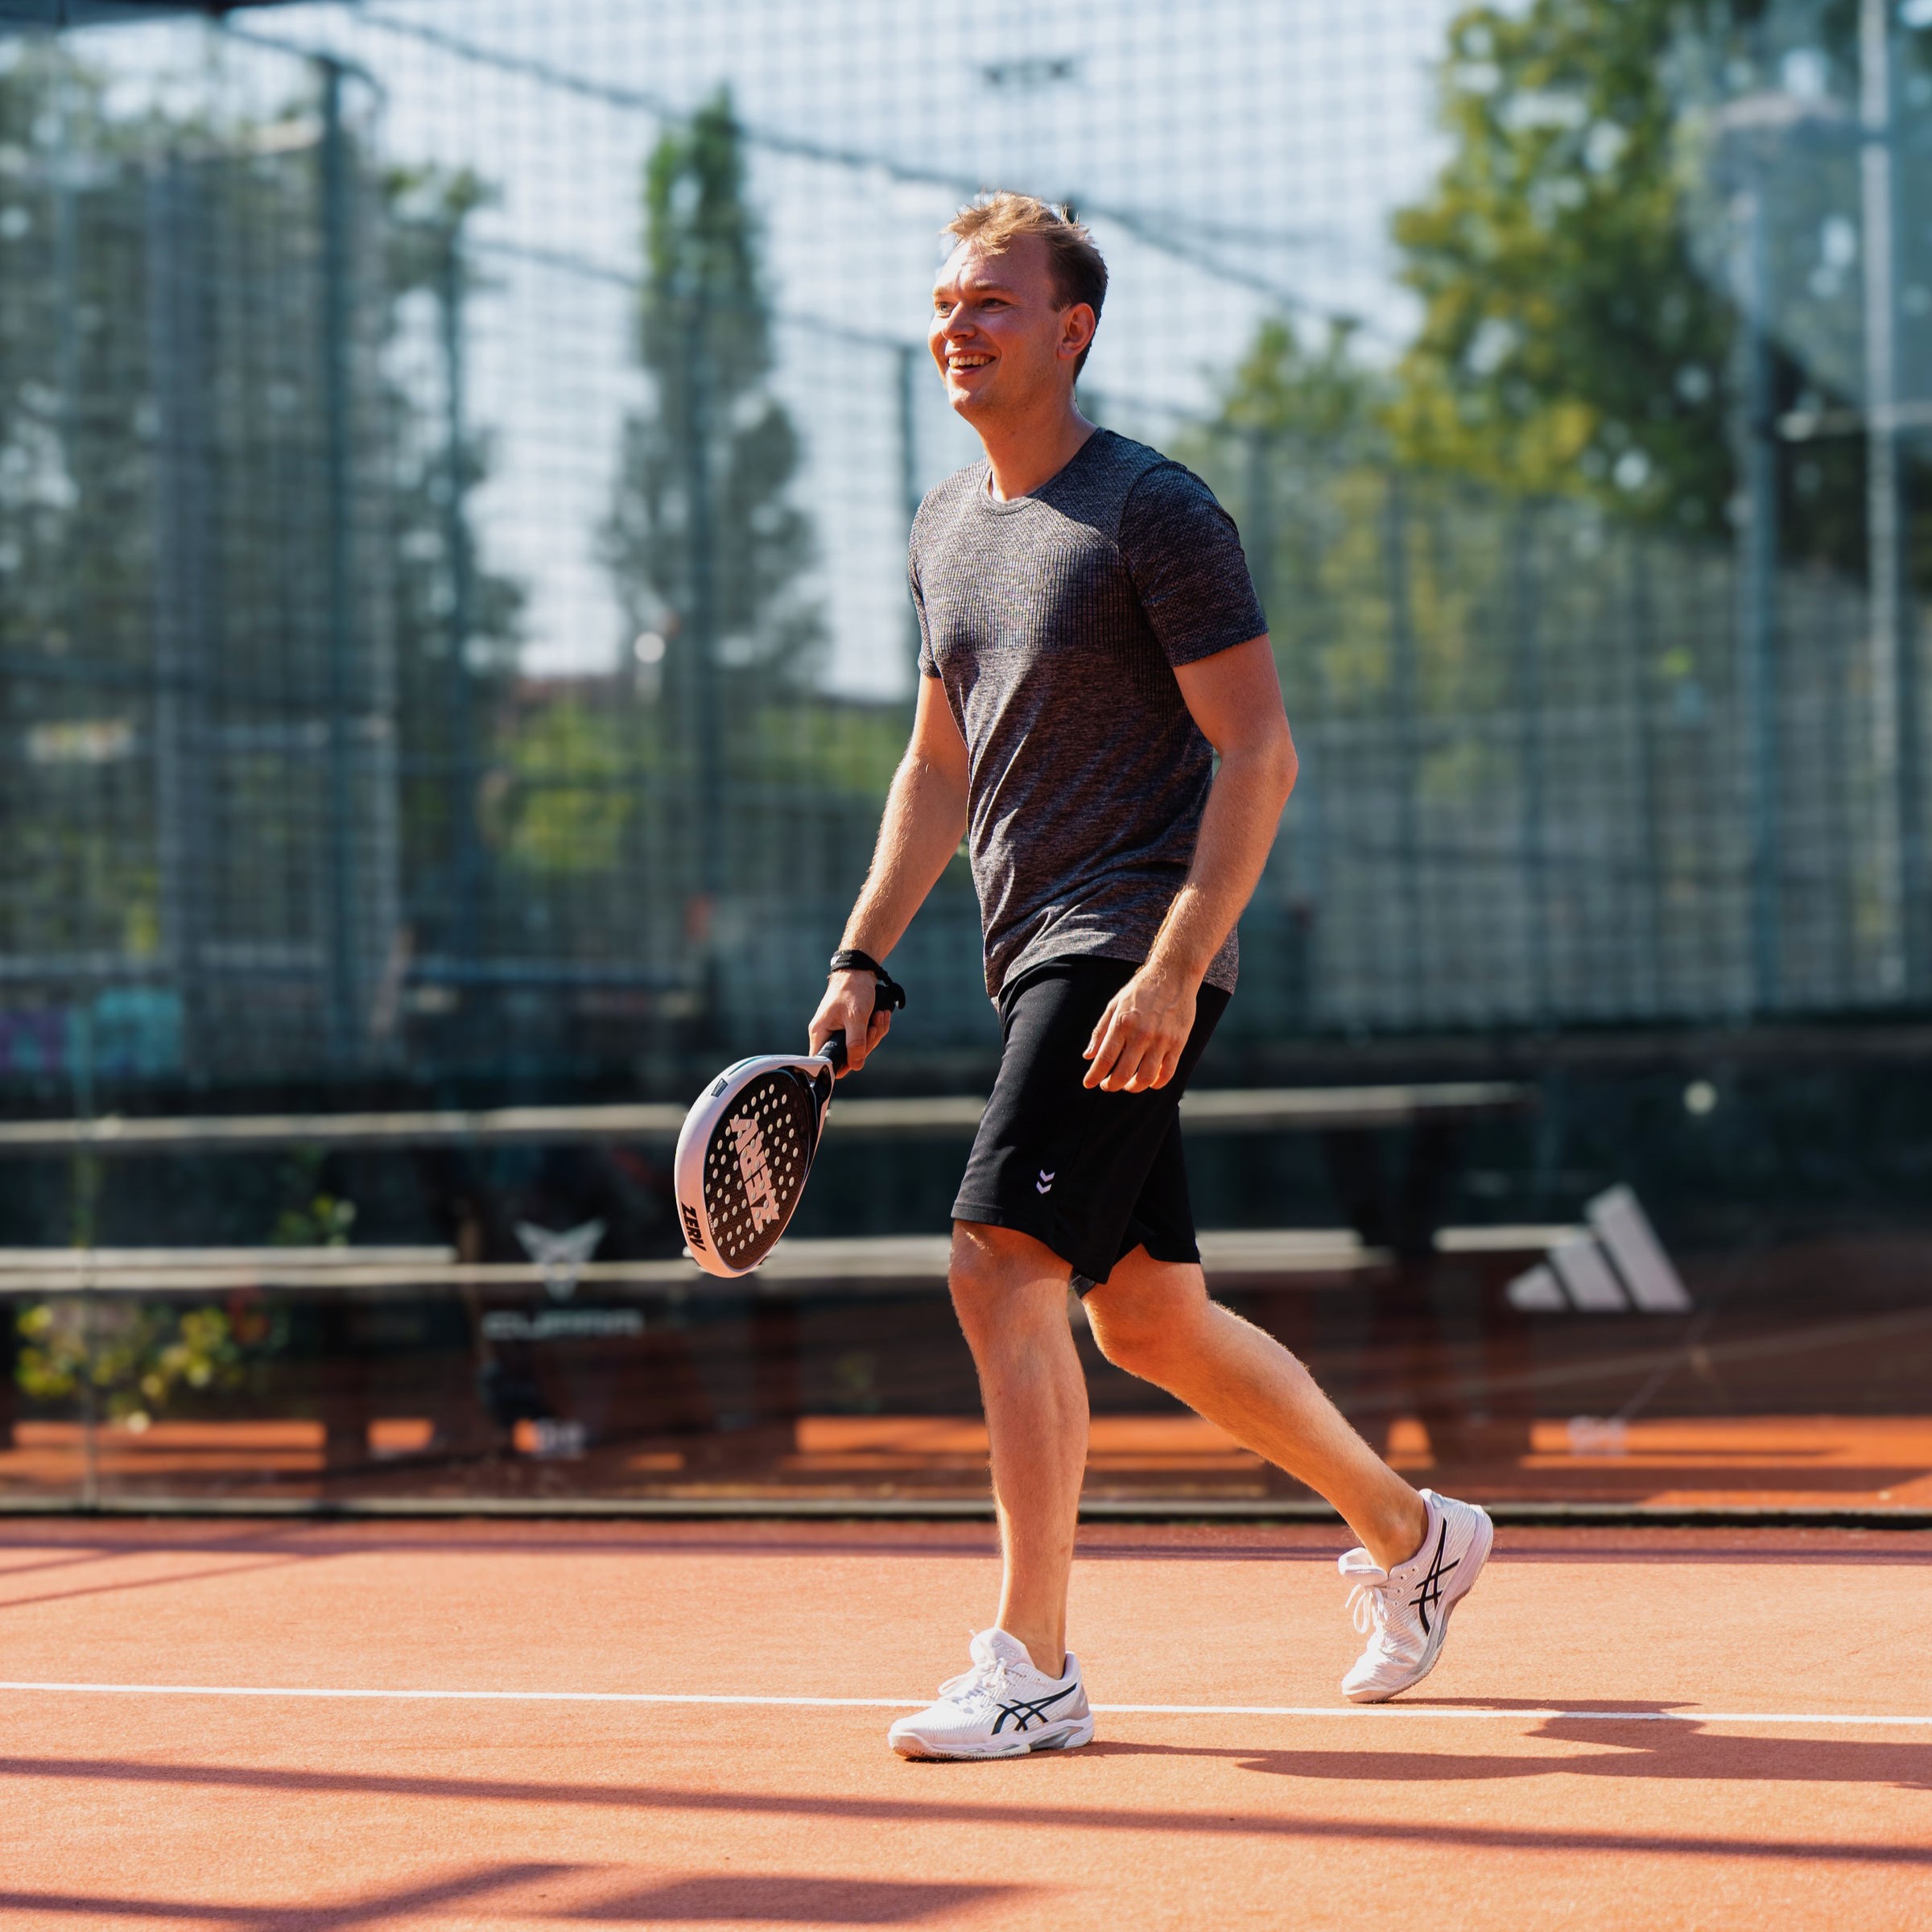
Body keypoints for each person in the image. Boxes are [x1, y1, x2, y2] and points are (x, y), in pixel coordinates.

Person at [807, 193, 1492, 1761]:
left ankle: (1032, 1665)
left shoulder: (1155, 513)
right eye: (943, 303)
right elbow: (933, 768)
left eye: (991, 304)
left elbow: (1262, 749)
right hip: (1032, 955)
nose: (956, 329)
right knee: (1151, 1324)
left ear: (1071, 330)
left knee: (993, 1261)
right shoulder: (941, 528)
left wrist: (1179, 961)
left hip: (1130, 942)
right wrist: (863, 951)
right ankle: (1415, 1537)